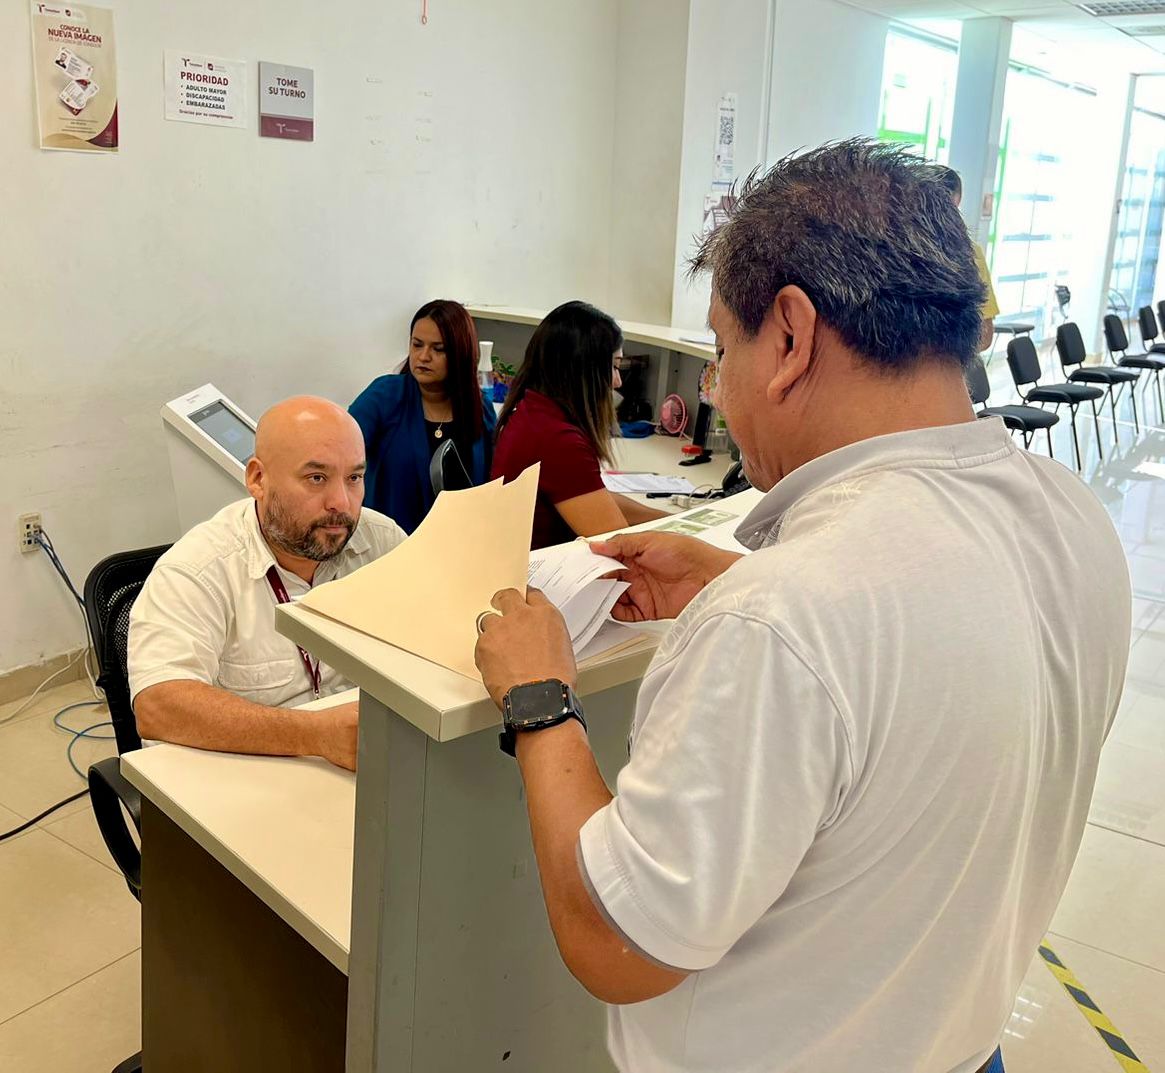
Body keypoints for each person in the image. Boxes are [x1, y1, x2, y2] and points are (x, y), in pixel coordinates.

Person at [473, 141, 1131, 1073]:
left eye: (721, 350)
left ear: (788, 337)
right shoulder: (1070, 516)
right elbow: (924, 686)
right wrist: (740, 588)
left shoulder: (784, 616)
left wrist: (538, 699)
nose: (719, 389)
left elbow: (615, 941)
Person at [129, 396, 406, 771]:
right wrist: (313, 735)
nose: (341, 502)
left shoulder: (380, 542)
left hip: (365, 766)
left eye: (354, 478)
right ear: (258, 479)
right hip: (245, 775)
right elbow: (159, 705)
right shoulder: (198, 569)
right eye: (316, 478)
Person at [492, 300, 667, 549]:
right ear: (584, 370)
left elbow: (593, 498)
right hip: (543, 569)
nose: (618, 381)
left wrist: (670, 520)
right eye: (614, 367)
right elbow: (617, 545)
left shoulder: (533, 411)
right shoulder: (558, 440)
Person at [350, 299, 497, 534]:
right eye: (417, 345)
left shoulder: (481, 408)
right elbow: (341, 452)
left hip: (460, 539)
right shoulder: (384, 397)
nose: (423, 356)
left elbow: (492, 483)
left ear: (460, 353)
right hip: (393, 542)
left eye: (438, 349)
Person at [940, 166, 1001, 352]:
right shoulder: (970, 253)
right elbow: (984, 335)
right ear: (957, 200)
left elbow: (984, 333)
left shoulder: (884, 252)